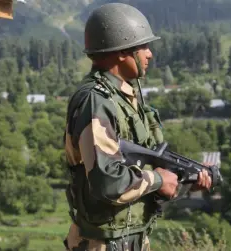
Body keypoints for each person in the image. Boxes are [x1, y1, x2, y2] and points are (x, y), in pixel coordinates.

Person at [63, 3, 212, 251]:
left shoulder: (126, 98)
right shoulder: (97, 102)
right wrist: (157, 180)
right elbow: (107, 182)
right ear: (122, 51)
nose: (149, 53)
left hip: (130, 240)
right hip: (102, 244)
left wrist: (186, 179)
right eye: (143, 46)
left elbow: (144, 171)